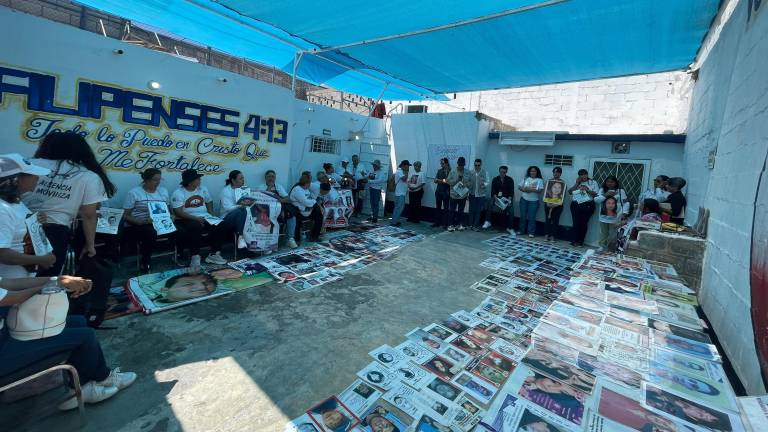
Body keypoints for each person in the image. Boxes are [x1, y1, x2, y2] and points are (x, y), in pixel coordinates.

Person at [0, 275, 136, 410]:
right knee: (86, 336)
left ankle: (80, 388)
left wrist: (58, 279)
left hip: (7, 332)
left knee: (79, 322)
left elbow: (10, 282)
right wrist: (55, 284)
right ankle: (103, 377)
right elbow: (9, 298)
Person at [22, 132, 116, 277]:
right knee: (47, 281)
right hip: (55, 231)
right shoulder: (88, 176)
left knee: (13, 277)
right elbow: (89, 215)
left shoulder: (29, 164)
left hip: (17, 227)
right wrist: (90, 244)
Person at [0, 154, 56, 278]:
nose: (37, 178)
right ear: (16, 179)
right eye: (31, 174)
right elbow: (2, 253)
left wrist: (34, 222)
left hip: (18, 279)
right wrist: (40, 260)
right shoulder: (2, 209)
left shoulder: (15, 203)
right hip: (8, 284)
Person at [171, 169, 227, 267]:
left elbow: (209, 201)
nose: (200, 180)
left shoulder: (202, 189)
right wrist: (196, 218)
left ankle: (214, 254)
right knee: (195, 226)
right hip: (185, 218)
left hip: (204, 216)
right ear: (190, 181)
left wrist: (211, 215)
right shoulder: (178, 193)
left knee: (220, 224)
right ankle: (195, 256)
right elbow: (178, 212)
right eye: (197, 179)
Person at [122, 168, 171, 274]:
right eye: (155, 180)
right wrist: (139, 222)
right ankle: (145, 262)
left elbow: (167, 210)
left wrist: (171, 217)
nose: (157, 182)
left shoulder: (163, 191)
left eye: (159, 179)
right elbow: (125, 215)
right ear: (146, 180)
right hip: (138, 224)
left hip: (158, 222)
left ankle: (182, 255)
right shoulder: (134, 193)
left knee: (181, 229)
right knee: (150, 233)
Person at [256, 170, 298, 249]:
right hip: (267, 211)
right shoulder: (261, 187)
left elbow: (287, 198)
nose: (271, 178)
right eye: (269, 176)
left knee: (292, 215)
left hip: (279, 208)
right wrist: (269, 187)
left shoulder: (278, 186)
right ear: (265, 178)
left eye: (273, 176)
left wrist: (280, 200)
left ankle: (290, 239)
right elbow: (262, 199)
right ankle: (268, 243)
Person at [594, 175, 630, 250]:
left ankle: (612, 248)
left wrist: (625, 213)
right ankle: (602, 247)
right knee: (603, 233)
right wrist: (605, 195)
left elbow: (626, 203)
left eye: (612, 182)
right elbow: (596, 200)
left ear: (616, 183)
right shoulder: (602, 190)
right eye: (608, 182)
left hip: (616, 217)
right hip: (603, 217)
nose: (609, 183)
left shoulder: (620, 191)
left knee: (614, 234)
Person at [567, 169, 599, 246]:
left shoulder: (593, 182)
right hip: (576, 204)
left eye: (584, 174)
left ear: (587, 174)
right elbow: (570, 192)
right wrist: (577, 184)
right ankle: (574, 240)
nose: (583, 176)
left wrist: (587, 190)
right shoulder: (576, 181)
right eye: (581, 175)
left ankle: (581, 241)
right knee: (575, 223)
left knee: (583, 223)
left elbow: (596, 194)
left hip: (588, 204)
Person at [289, 174, 323, 243]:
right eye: (309, 183)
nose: (310, 185)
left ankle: (314, 236)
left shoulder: (306, 189)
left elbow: (311, 199)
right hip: (299, 211)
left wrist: (313, 202)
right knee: (297, 216)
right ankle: (297, 239)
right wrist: (313, 202)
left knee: (319, 214)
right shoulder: (297, 189)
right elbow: (306, 202)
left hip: (307, 210)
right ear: (306, 183)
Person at [485, 165, 514, 233]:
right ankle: (488, 221)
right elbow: (493, 191)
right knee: (490, 203)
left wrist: (509, 200)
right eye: (501, 172)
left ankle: (510, 228)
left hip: (506, 198)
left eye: (504, 172)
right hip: (497, 197)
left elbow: (511, 192)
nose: (502, 173)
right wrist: (496, 198)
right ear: (499, 171)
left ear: (506, 172)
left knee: (511, 210)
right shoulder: (495, 179)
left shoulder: (510, 180)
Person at [518, 166, 544, 237]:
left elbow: (540, 190)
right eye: (531, 171)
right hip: (523, 200)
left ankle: (531, 232)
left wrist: (530, 190)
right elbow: (519, 187)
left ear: (537, 172)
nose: (532, 172)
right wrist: (524, 189)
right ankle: (521, 230)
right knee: (523, 216)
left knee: (531, 217)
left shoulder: (539, 180)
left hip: (534, 201)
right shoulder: (526, 178)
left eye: (534, 171)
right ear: (529, 172)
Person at [446, 157, 470, 231]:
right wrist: (456, 181)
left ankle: (460, 225)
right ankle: (450, 225)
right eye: (460, 164)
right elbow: (447, 181)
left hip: (463, 195)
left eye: (462, 165)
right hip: (454, 195)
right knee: (452, 211)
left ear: (464, 164)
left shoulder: (467, 172)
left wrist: (465, 184)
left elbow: (470, 182)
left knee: (461, 211)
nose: (461, 166)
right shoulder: (452, 171)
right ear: (457, 163)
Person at [542, 167, 565, 242]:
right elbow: (545, 193)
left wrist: (556, 204)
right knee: (547, 220)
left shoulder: (563, 183)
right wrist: (548, 203)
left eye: (558, 172)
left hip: (558, 206)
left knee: (555, 221)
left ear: (560, 173)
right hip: (548, 204)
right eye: (554, 172)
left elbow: (563, 196)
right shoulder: (549, 182)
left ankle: (553, 236)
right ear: (553, 173)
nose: (556, 173)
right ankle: (546, 235)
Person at [466, 159, 488, 231]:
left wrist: (484, 184)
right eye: (475, 165)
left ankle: (475, 226)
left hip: (481, 195)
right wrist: (468, 185)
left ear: (481, 165)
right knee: (471, 210)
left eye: (478, 165)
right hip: (472, 194)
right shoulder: (471, 172)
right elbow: (467, 181)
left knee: (478, 211)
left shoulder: (484, 172)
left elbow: (487, 181)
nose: (477, 166)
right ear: (474, 165)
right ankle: (470, 225)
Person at [390, 160, 410, 226]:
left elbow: (405, 181)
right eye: (408, 166)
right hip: (399, 193)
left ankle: (395, 220)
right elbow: (404, 179)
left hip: (401, 193)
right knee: (399, 208)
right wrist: (407, 171)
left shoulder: (401, 171)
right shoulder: (399, 171)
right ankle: (394, 222)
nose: (408, 168)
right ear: (404, 165)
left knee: (398, 208)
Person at [433, 158, 451, 228]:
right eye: (441, 163)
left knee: (446, 208)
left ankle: (445, 224)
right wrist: (442, 181)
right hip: (438, 192)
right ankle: (437, 222)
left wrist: (440, 180)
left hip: (446, 192)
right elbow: (435, 180)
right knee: (438, 208)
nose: (441, 165)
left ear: (446, 163)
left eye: (442, 163)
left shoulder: (450, 171)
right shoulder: (439, 171)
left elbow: (448, 181)